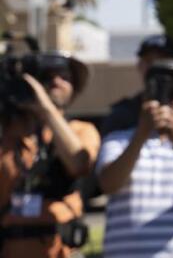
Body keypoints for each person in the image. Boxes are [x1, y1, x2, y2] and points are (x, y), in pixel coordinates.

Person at [97, 59, 173, 257]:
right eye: (158, 91)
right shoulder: (117, 140)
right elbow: (109, 184)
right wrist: (141, 135)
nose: (166, 101)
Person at [0, 51, 100, 258]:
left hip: (59, 250)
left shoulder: (81, 130)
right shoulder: (7, 135)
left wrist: (44, 107)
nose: (56, 82)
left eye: (65, 77)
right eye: (47, 76)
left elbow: (79, 163)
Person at [99, 33, 173, 138]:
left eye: (163, 61)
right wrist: (142, 131)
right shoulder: (122, 114)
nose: (156, 68)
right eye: (149, 61)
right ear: (139, 65)